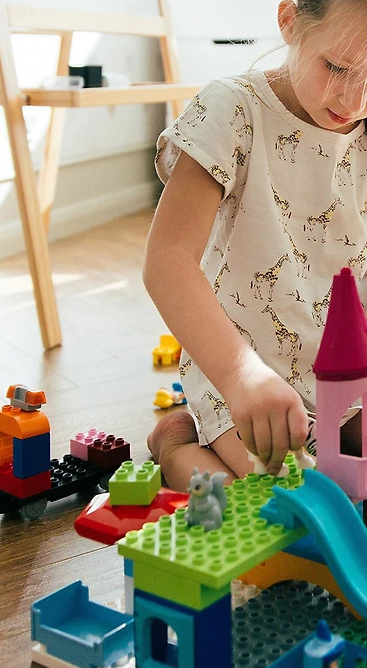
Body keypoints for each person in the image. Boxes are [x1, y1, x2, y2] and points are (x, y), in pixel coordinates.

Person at [144, 0, 367, 491]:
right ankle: (178, 446)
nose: (354, 101)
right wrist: (241, 375)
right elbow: (168, 261)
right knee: (274, 504)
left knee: (344, 494)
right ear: (290, 20)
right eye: (337, 68)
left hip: (344, 371)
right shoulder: (232, 109)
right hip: (245, 369)